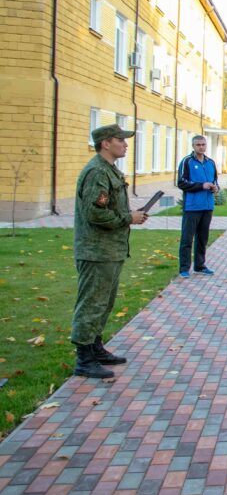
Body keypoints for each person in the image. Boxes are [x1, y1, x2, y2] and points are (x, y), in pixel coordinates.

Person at [72, 124, 149, 378]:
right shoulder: (97, 171)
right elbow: (94, 213)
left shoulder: (109, 170)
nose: (125, 144)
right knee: (92, 303)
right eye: (120, 140)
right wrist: (128, 218)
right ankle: (84, 359)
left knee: (104, 303)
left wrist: (131, 216)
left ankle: (95, 348)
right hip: (96, 252)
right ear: (106, 143)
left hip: (110, 250)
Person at [177, 135, 219, 278]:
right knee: (187, 239)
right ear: (193, 146)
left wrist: (215, 188)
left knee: (202, 238)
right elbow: (181, 182)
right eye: (198, 145)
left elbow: (215, 181)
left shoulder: (211, 163)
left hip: (207, 206)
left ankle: (200, 266)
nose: (201, 147)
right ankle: (184, 268)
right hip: (192, 207)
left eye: (203, 144)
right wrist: (201, 186)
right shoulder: (187, 161)